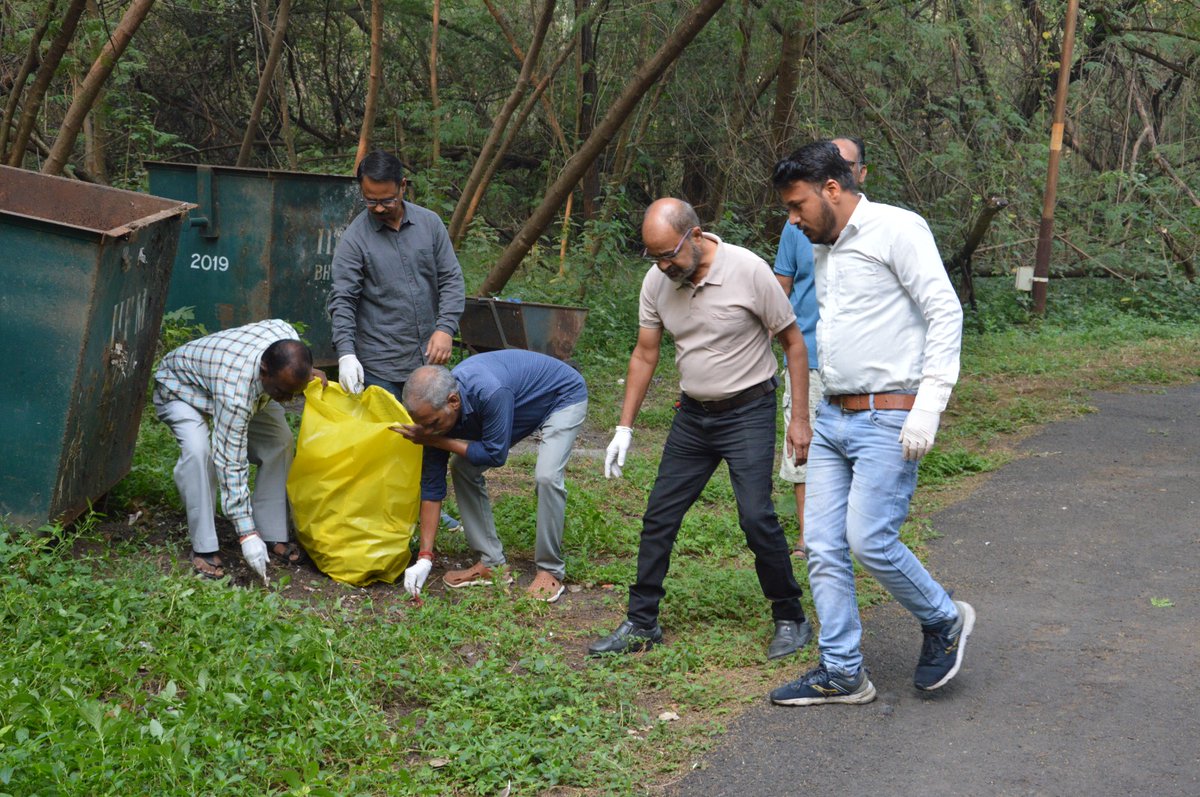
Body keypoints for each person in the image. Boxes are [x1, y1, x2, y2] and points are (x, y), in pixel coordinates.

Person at [767, 140, 974, 707]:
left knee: (869, 540)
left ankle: (944, 618)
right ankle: (842, 670)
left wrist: (928, 407)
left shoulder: (898, 229)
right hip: (831, 416)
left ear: (832, 189)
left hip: (889, 415)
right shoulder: (821, 246)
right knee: (821, 545)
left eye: (797, 204)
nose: (792, 218)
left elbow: (943, 310)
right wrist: (804, 413)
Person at [588, 198, 814, 661]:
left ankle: (790, 615)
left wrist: (799, 419)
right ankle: (641, 622)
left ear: (695, 234)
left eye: (669, 254)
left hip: (749, 410)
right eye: (654, 257)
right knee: (659, 516)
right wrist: (624, 427)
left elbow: (793, 342)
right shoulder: (657, 282)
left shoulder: (748, 270)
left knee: (756, 517)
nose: (663, 265)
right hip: (693, 416)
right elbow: (645, 354)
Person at [327, 149, 467, 531]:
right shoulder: (355, 239)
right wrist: (346, 354)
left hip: (428, 362)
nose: (377, 207)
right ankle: (388, 517)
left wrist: (445, 327)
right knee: (389, 445)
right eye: (369, 199)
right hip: (381, 361)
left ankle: (430, 508)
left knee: (434, 435)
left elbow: (452, 281)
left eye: (386, 199)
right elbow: (343, 299)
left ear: (403, 186)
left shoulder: (430, 225)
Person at [394, 350, 588, 603]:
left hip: (561, 395)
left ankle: (550, 569)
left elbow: (496, 455)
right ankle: (491, 563)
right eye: (423, 426)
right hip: (520, 403)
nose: (427, 431)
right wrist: (425, 558)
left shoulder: (490, 391)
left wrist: (436, 439)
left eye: (432, 424)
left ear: (453, 401)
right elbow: (432, 486)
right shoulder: (433, 419)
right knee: (463, 468)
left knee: (547, 476)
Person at [153, 319, 324, 581]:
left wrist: (308, 377)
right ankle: (204, 547)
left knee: (280, 441)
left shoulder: (287, 340)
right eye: (282, 391)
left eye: (294, 393)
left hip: (227, 382)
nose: (288, 400)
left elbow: (290, 372)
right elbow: (230, 462)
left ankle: (270, 532)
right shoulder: (236, 391)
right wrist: (245, 533)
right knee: (200, 453)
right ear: (263, 370)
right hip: (181, 388)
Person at [775, 135, 867, 559]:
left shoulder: (879, 232)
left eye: (846, 166)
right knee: (803, 447)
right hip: (807, 356)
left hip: (858, 366)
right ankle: (809, 538)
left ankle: (851, 536)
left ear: (856, 176)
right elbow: (781, 289)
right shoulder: (798, 226)